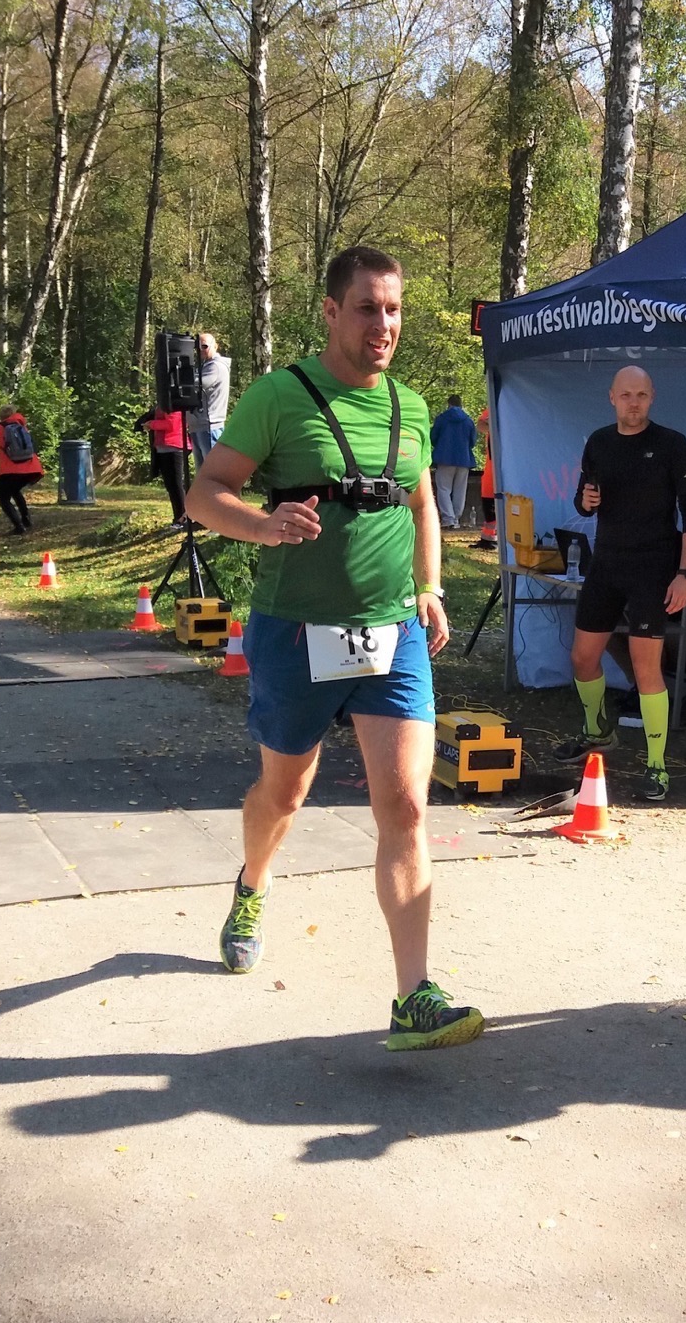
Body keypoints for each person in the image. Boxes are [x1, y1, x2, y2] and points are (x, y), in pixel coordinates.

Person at [185, 244, 484, 1052]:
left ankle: (412, 994)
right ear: (329, 310)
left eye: (393, 309)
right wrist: (262, 524)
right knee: (283, 795)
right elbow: (205, 492)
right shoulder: (280, 396)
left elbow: (420, 504)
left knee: (406, 806)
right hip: (295, 631)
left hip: (393, 634)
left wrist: (430, 585)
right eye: (366, 307)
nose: (383, 324)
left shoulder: (411, 407)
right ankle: (252, 883)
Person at [555, 365, 686, 802]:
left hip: (653, 567)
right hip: (606, 563)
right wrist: (585, 502)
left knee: (645, 668)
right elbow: (583, 500)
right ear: (612, 397)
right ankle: (597, 732)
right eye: (626, 395)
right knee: (582, 658)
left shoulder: (672, 443)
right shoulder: (599, 442)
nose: (633, 403)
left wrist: (685, 574)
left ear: (652, 396)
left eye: (641, 395)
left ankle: (657, 766)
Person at [0, 405, 44, 535]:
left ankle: (19, 526)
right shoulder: (22, 426)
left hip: (9, 471)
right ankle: (26, 520)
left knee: (3, 498)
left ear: (1, 416)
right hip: (32, 468)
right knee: (15, 490)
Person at [133, 406, 192, 528]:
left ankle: (184, 517)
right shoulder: (162, 403)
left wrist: (151, 424)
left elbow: (172, 424)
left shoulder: (174, 404)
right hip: (163, 447)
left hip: (175, 446)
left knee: (176, 484)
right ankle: (177, 517)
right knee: (170, 486)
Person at [430, 393, 477, 529]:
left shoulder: (442, 419)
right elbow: (472, 441)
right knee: (460, 490)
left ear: (449, 404)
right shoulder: (468, 421)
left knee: (444, 489)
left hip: (444, 458)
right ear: (461, 405)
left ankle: (448, 518)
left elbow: (433, 437)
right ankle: (456, 518)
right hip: (464, 459)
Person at [186, 332, 232, 464]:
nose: (200, 349)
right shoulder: (204, 366)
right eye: (197, 346)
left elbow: (197, 384)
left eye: (205, 346)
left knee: (213, 469)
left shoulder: (216, 366)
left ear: (215, 346)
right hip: (198, 425)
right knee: (202, 472)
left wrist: (180, 377)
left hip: (209, 426)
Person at [476, 406, 497, 547]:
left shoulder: (500, 406)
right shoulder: (495, 407)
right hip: (492, 467)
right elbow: (481, 425)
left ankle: (492, 538)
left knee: (491, 500)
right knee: (489, 500)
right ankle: (488, 538)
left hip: (496, 467)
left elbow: (481, 425)